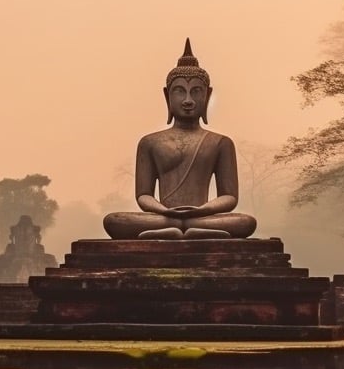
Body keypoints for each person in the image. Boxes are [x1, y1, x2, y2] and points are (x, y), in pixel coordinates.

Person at [103, 39, 257, 239]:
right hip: (164, 217)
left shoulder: (221, 143)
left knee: (245, 222)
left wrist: (202, 210)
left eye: (196, 92)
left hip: (201, 217)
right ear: (167, 97)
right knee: (114, 221)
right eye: (179, 92)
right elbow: (143, 195)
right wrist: (164, 211)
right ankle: (192, 231)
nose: (188, 100)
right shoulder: (150, 142)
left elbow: (229, 196)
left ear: (208, 96)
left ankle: (175, 231)